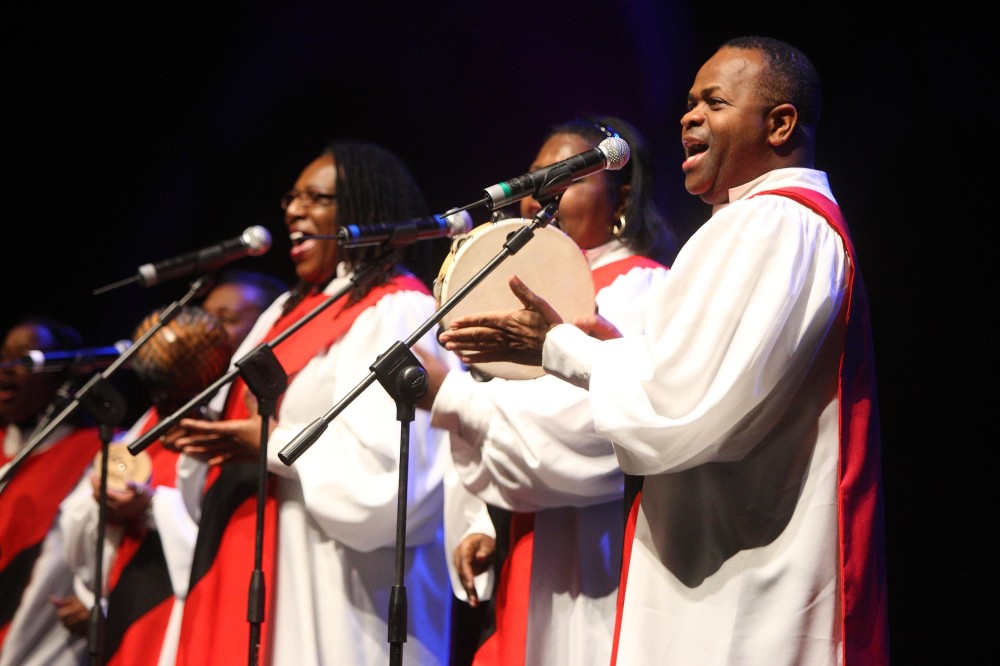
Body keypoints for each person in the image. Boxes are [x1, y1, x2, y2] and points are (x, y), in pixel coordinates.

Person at [439, 36, 889, 665]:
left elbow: (684, 405)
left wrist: (560, 348)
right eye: (688, 103)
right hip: (723, 564)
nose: (689, 116)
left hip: (753, 582)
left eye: (715, 102)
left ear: (780, 123)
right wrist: (615, 353)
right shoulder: (753, 223)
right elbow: (695, 380)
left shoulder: (776, 223)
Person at [167, 140, 456, 665]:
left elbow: (397, 480)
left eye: (317, 198)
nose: (294, 210)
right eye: (293, 198)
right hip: (248, 554)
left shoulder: (398, 309)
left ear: (366, 214)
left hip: (336, 587)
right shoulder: (285, 309)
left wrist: (272, 446)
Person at [424, 115, 675, 666]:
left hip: (605, 547)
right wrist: (480, 518)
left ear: (621, 195)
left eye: (567, 176)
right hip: (531, 537)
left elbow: (592, 426)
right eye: (535, 178)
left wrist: (453, 398)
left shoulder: (644, 287)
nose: (539, 194)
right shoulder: (518, 291)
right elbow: (505, 401)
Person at [56, 270, 284, 666]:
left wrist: (150, 507)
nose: (198, 332)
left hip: (183, 618)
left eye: (225, 321)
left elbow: (233, 544)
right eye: (201, 316)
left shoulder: (243, 425)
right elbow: (75, 527)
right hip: (123, 615)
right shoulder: (149, 421)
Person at [0, 316, 105, 666]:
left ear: (62, 373)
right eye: (5, 355)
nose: (7, 367)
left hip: (40, 643)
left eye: (26, 358)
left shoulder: (96, 450)